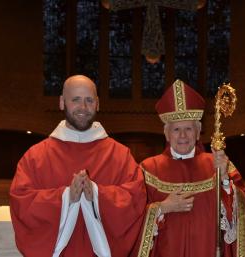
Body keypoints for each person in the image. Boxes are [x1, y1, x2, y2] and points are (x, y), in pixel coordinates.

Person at [9, 75, 147, 257]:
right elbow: (21, 202)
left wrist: (97, 195)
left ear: (98, 104)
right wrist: (66, 197)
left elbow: (135, 199)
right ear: (61, 102)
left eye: (89, 100)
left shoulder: (120, 155)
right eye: (75, 100)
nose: (83, 107)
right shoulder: (36, 156)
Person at [132, 79, 245, 257]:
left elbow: (243, 210)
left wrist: (225, 180)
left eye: (188, 128)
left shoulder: (218, 164)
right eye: (176, 129)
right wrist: (162, 207)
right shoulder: (147, 169)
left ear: (198, 132)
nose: (182, 135)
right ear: (166, 133)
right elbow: (131, 214)